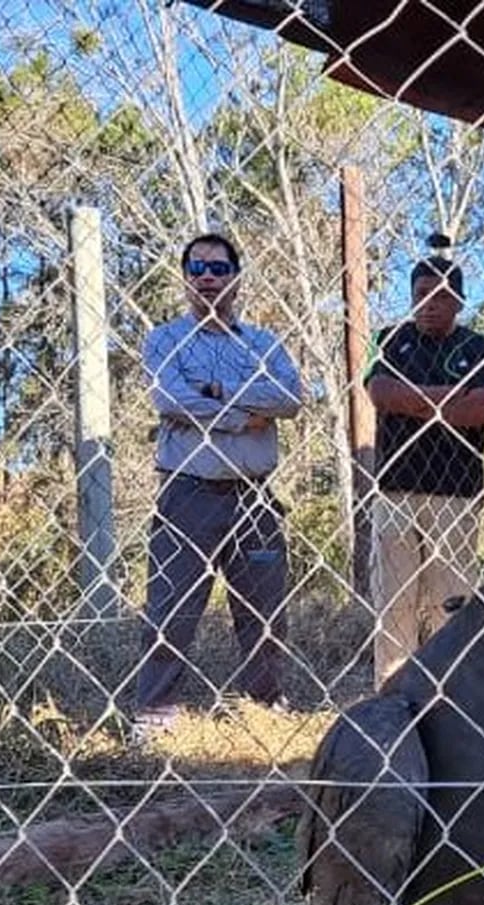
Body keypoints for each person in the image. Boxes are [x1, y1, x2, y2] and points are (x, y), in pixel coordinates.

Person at [132, 233, 302, 738]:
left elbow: (290, 397)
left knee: (265, 609)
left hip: (254, 494)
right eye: (198, 268)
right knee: (171, 607)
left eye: (219, 268)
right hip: (188, 490)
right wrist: (244, 414)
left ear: (236, 277)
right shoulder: (165, 339)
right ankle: (155, 713)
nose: (208, 277)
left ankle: (264, 707)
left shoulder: (263, 343)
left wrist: (217, 393)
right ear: (185, 277)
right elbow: (170, 400)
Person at [365, 246, 484, 686]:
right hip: (396, 487)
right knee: (395, 596)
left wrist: (415, 400)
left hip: (457, 492)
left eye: (441, 295)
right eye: (421, 293)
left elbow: (480, 408)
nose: (430, 303)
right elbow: (381, 392)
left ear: (458, 301)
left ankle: (453, 687)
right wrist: (446, 399)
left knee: (453, 597)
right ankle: (392, 686)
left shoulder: (480, 347)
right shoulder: (389, 339)